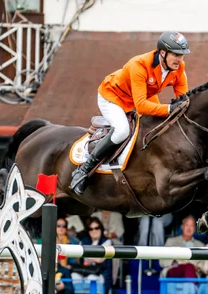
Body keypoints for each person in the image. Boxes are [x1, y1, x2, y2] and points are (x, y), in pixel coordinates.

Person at [69, 31, 191, 195]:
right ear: (163, 53)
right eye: (176, 54)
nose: (180, 60)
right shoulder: (139, 65)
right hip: (113, 96)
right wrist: (169, 109)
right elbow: (141, 106)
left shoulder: (179, 68)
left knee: (159, 126)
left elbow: (183, 101)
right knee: (122, 131)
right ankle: (84, 170)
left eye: (182, 55)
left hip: (141, 95)